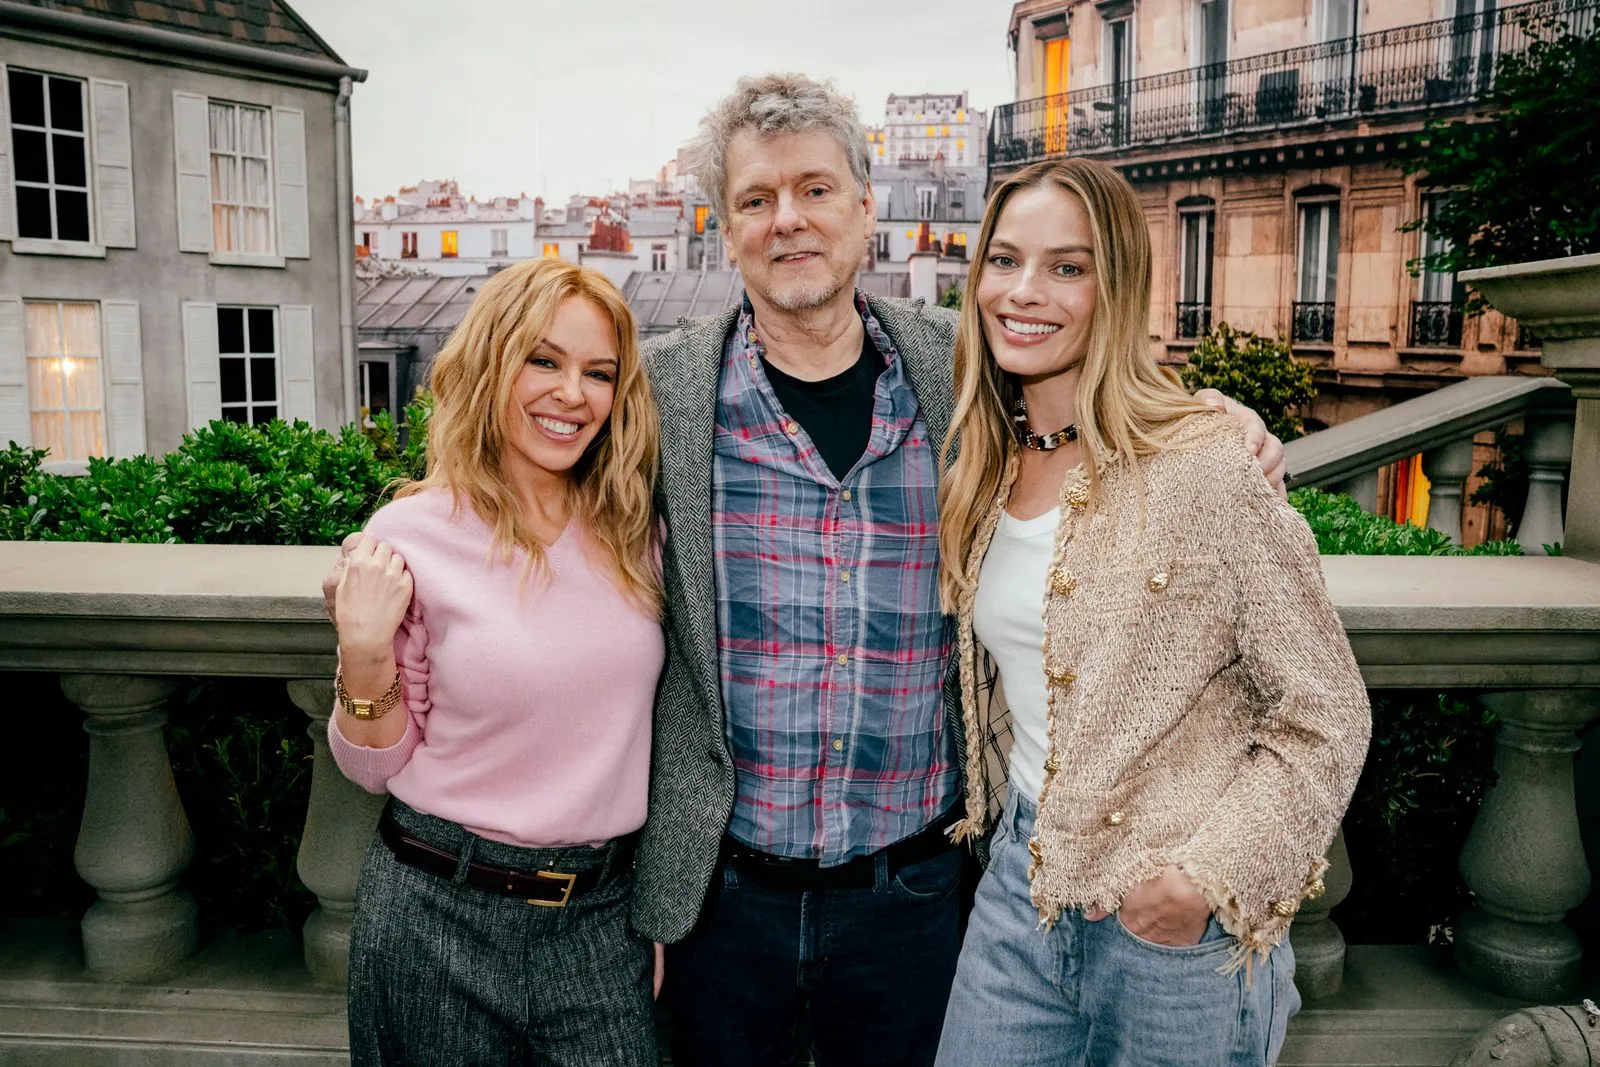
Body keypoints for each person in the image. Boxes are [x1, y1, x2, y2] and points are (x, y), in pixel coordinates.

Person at [633, 74, 1291, 1067]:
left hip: (915, 897)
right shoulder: (662, 392)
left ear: (867, 207)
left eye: (815, 189)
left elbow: (1106, 388)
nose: (788, 219)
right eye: (755, 199)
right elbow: (525, 478)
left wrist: (1220, 419)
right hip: (721, 904)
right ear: (724, 231)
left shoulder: (965, 370)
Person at [930, 157, 1372, 1067]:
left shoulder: (1203, 463)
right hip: (1020, 884)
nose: (1024, 291)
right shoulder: (982, 464)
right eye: (1004, 260)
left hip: (1175, 935)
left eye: (1066, 267)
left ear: (1117, 287)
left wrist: (1205, 880)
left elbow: (1328, 711)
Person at [327, 257, 666, 1066]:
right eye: (543, 360)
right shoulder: (408, 536)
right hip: (435, 912)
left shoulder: (636, 531)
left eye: (598, 373)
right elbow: (374, 766)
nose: (572, 394)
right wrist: (364, 648)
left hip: (600, 918)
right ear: (491, 364)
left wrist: (655, 909)